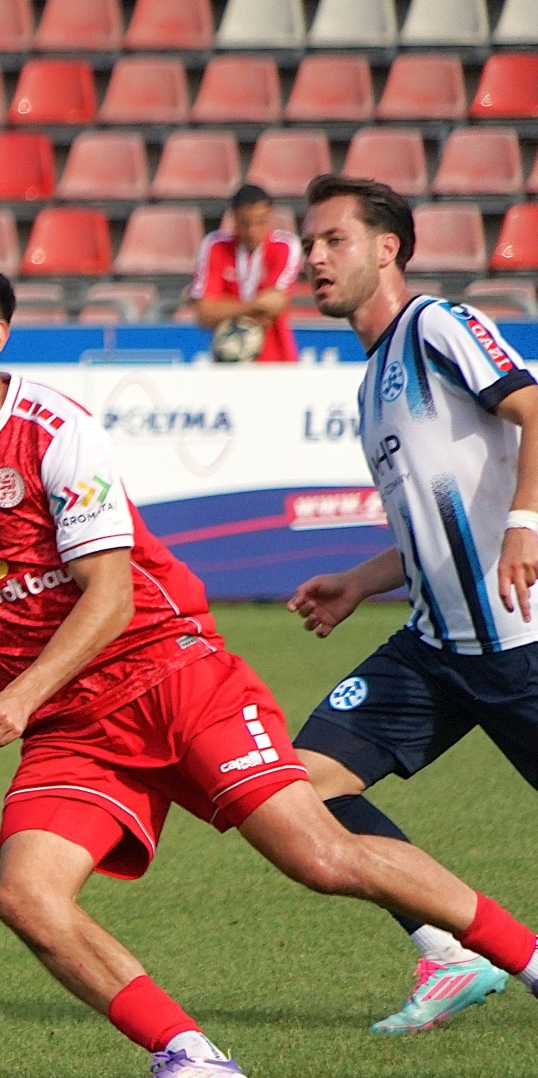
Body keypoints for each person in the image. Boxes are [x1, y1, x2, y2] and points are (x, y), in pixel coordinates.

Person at [0, 252, 538, 1078]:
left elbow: (112, 593)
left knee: (322, 857)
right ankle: (189, 1056)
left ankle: (526, 957)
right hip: (75, 725)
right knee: (26, 896)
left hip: (175, 677)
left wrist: (20, 695)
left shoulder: (55, 430)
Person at [288, 174, 538, 1034]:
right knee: (296, 789)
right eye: (308, 243)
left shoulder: (436, 326)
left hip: (518, 641)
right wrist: (362, 580)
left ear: (387, 248)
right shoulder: (370, 385)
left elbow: (536, 410)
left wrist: (527, 525)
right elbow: (442, 515)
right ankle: (449, 950)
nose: (314, 258)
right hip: (433, 650)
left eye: (334, 240)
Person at [191, 183, 302, 363]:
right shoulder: (215, 246)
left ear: (270, 215)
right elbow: (204, 314)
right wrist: (255, 305)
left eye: (260, 222)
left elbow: (273, 306)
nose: (252, 231)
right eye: (245, 223)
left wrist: (222, 305)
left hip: (277, 362)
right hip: (227, 362)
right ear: (234, 217)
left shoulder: (286, 246)